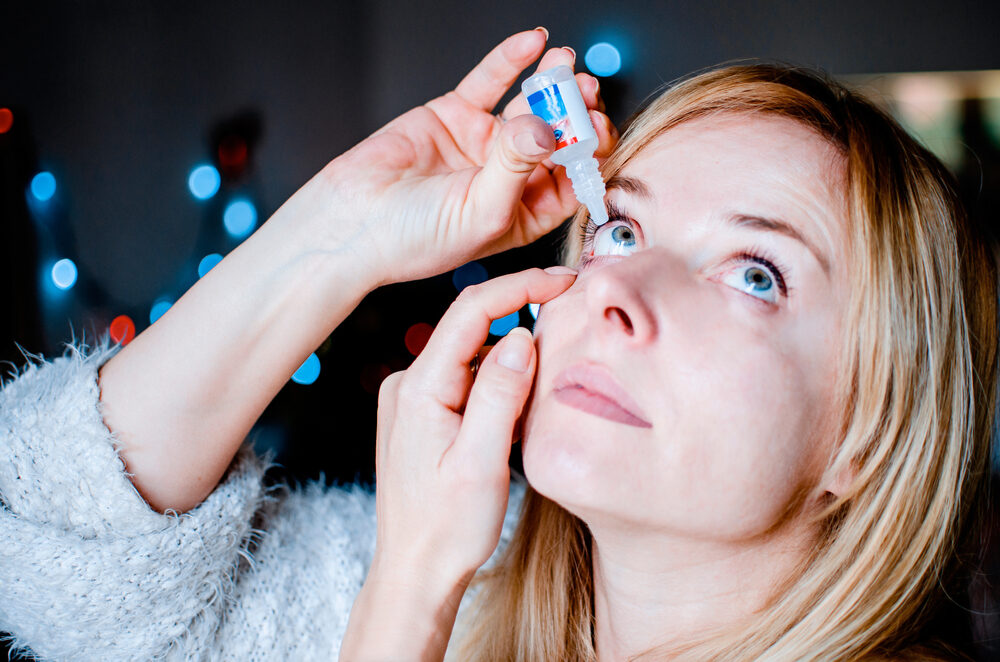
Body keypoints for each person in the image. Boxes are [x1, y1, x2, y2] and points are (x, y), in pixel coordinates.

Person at [0, 27, 994, 661]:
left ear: (866, 433)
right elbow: (49, 532)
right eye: (621, 229)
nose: (615, 295)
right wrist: (340, 235)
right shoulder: (441, 562)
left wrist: (407, 609)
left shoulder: (422, 575)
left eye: (754, 273)